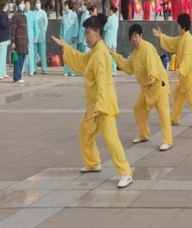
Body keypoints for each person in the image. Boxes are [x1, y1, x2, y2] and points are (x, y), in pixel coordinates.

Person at [50, 15, 133, 188]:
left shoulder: (101, 54)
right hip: (94, 106)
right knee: (84, 131)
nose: (86, 37)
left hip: (103, 107)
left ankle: (125, 172)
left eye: (88, 33)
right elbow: (81, 62)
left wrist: (100, 107)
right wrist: (66, 47)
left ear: (97, 32)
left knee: (111, 139)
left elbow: (103, 82)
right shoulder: (94, 52)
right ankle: (93, 163)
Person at [112, 24, 173, 151]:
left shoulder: (147, 48)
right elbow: (128, 67)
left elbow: (151, 63)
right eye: (131, 38)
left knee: (163, 113)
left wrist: (152, 78)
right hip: (147, 88)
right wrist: (114, 55)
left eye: (135, 36)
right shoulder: (135, 54)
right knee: (138, 108)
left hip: (158, 84)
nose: (133, 39)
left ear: (141, 36)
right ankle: (143, 134)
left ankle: (168, 140)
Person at [153, 14, 192, 129]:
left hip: (189, 77)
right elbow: (173, 42)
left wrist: (180, 70)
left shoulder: (188, 40)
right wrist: (161, 36)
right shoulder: (183, 37)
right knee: (177, 94)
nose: (177, 27)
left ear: (183, 27)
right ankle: (174, 118)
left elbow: (187, 58)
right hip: (185, 77)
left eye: (178, 25)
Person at [10, 0, 29, 84]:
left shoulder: (24, 16)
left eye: (23, 3)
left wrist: (27, 40)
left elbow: (25, 30)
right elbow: (13, 30)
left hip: (24, 41)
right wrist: (13, 41)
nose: (23, 5)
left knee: (22, 59)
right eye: (21, 3)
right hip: (18, 41)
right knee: (18, 59)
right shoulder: (15, 16)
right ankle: (16, 77)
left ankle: (19, 76)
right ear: (18, 5)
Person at [61, 1, 79, 77]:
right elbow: (61, 27)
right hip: (65, 38)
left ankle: (73, 71)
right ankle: (66, 70)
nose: (66, 7)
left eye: (66, 5)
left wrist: (74, 36)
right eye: (65, 6)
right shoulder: (64, 16)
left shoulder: (74, 15)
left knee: (72, 55)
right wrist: (61, 36)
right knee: (66, 55)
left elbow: (76, 26)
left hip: (72, 38)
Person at [32, 0, 48, 75]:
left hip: (41, 35)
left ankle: (44, 69)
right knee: (34, 53)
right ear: (35, 4)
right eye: (36, 3)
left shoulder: (43, 13)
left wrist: (43, 32)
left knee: (42, 53)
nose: (38, 4)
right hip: (34, 36)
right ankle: (33, 68)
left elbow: (46, 24)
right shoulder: (33, 13)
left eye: (39, 2)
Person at [103, 5, 119, 76]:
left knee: (108, 56)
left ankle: (110, 70)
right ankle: (114, 71)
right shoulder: (116, 18)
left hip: (108, 39)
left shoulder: (110, 18)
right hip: (114, 39)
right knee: (114, 56)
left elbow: (105, 27)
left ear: (111, 11)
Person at [0, 0, 9, 80]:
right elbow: (4, 24)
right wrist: (9, 23)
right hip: (3, 38)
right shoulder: (3, 14)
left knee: (3, 56)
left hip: (2, 38)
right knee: (2, 57)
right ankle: (0, 73)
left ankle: (3, 71)